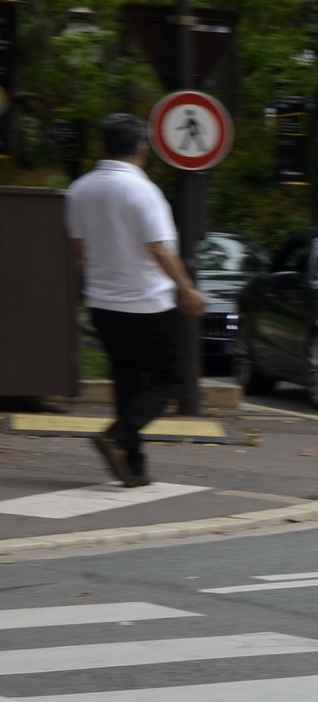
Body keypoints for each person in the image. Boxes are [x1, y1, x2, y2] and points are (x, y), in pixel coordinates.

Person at [64, 112, 204, 487]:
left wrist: (93, 287)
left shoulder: (80, 189)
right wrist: (187, 289)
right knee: (167, 377)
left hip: (103, 303)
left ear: (103, 146)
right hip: (147, 304)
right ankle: (118, 435)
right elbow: (159, 248)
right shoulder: (142, 190)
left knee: (126, 379)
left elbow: (80, 250)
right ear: (141, 148)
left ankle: (134, 467)